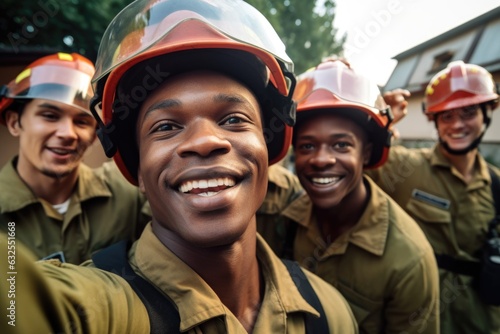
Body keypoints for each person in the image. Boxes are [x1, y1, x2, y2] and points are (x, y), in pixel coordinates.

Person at [0, 1, 359, 332]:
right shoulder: (104, 311)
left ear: (268, 146)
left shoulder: (332, 313)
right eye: (166, 127)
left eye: (234, 119)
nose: (204, 141)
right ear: (137, 171)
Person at [258, 59, 440, 333]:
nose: (321, 159)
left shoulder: (409, 259)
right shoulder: (283, 215)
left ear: (366, 153)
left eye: (341, 145)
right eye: (307, 145)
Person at [366, 60, 500, 334]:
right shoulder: (406, 168)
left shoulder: (497, 184)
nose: (457, 125)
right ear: (434, 120)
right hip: (420, 320)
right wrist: (381, 117)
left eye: (468, 112)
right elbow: (355, 163)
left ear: (487, 113)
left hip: (483, 322)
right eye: (447, 116)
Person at [0, 52, 151, 264]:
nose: (68, 133)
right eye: (50, 116)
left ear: (94, 136)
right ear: (15, 123)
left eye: (82, 121)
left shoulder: (128, 190)